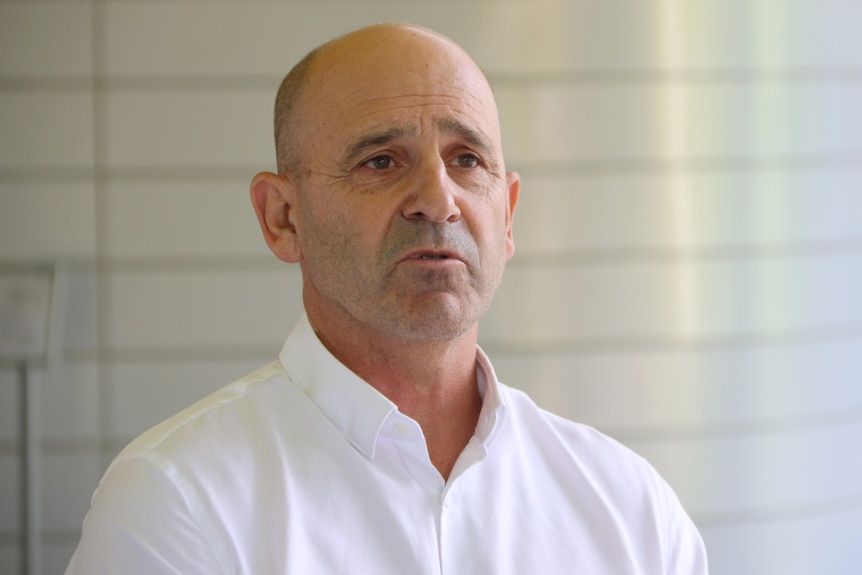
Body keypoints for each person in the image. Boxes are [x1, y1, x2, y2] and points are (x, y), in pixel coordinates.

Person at [67, 23, 708, 574]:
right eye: (380, 160)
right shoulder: (176, 503)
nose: (438, 198)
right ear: (283, 218)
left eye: (466, 158)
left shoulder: (632, 511)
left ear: (507, 218)